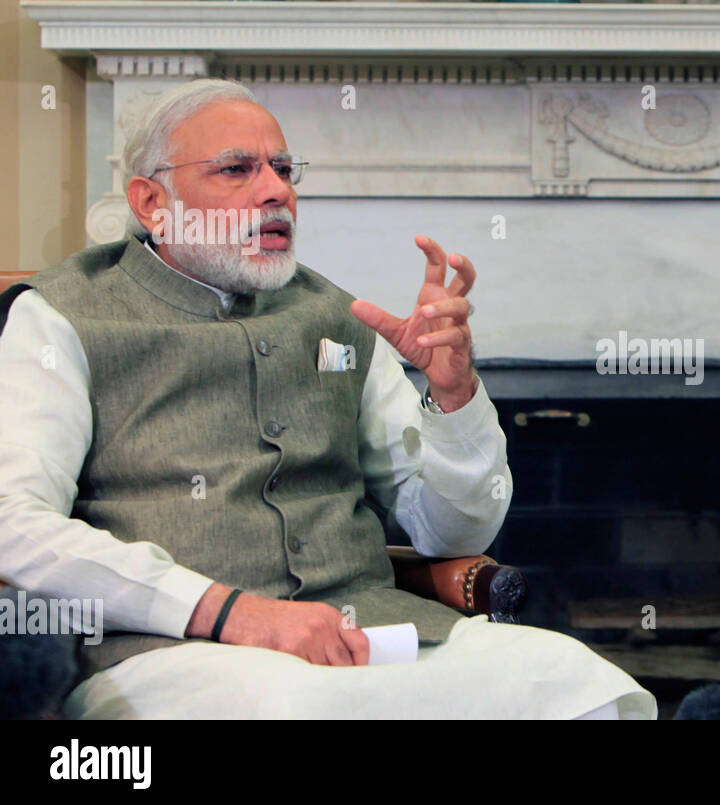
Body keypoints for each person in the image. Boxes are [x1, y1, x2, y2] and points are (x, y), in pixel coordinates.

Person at [0, 78, 655, 720]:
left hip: (375, 637)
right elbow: (13, 524)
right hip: (179, 652)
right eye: (237, 169)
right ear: (151, 202)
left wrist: (454, 397)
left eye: (284, 169)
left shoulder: (340, 316)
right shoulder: (61, 317)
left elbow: (453, 531)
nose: (276, 190)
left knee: (576, 681)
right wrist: (232, 611)